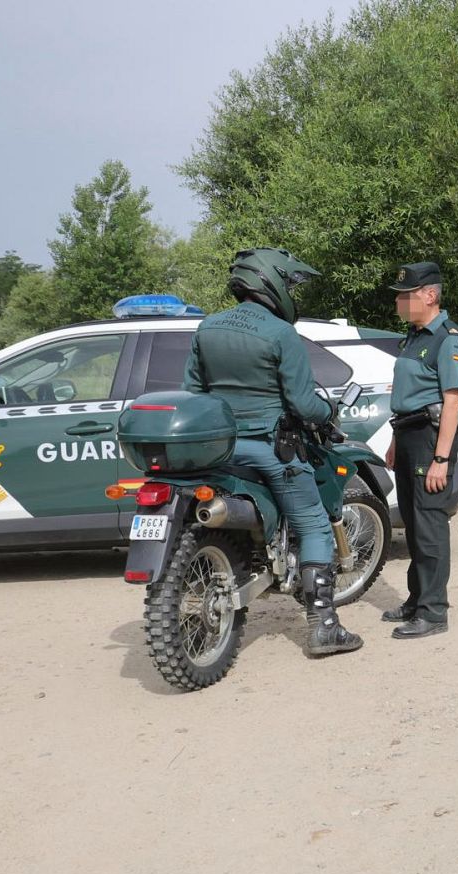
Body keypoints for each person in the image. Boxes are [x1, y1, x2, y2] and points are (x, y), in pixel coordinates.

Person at [184, 248, 363, 656]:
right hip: (270, 448)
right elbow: (302, 404)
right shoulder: (281, 333)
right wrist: (329, 410)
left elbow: (193, 393)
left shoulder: (206, 328)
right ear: (273, 281)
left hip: (218, 450)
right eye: (292, 283)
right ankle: (324, 627)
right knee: (315, 526)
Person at [382, 261, 458, 639]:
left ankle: (434, 612)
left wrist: (441, 460)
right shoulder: (413, 337)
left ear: (430, 295)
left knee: (430, 525)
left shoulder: (446, 338)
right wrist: (395, 442)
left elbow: (451, 403)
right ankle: (418, 598)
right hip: (408, 436)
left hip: (432, 441)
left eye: (406, 295)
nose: (400, 302)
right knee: (414, 526)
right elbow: (407, 399)